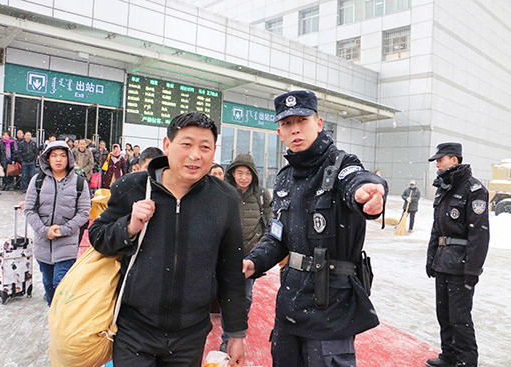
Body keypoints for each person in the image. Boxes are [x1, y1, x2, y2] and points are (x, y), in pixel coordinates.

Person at [88, 112, 247, 367]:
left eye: (204, 147)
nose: (195, 155)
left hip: (190, 335)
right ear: (167, 145)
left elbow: (230, 270)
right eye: (186, 144)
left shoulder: (224, 198)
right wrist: (128, 226)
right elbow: (98, 236)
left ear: (214, 151)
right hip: (134, 330)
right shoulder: (133, 187)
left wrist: (237, 333)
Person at [242, 90, 387, 367]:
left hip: (331, 304)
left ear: (318, 124)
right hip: (290, 304)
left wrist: (366, 192)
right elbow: (277, 237)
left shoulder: (342, 164)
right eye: (287, 124)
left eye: (302, 120)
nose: (295, 129)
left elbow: (356, 180)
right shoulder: (284, 179)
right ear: (279, 131)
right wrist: (253, 261)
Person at [425, 142, 489, 367]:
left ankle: (466, 361)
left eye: (440, 160)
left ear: (454, 160)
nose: (437, 164)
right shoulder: (444, 188)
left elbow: (479, 235)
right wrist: (431, 258)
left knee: (460, 318)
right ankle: (449, 356)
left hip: (461, 265)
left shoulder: (474, 189)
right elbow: (436, 228)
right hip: (443, 261)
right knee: (444, 314)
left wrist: (473, 269)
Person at [24, 141, 91, 306]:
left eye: (62, 155)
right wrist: (44, 230)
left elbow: (84, 212)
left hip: (67, 243)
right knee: (48, 282)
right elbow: (29, 210)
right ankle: (53, 312)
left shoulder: (79, 183)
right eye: (54, 155)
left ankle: (60, 316)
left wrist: (64, 230)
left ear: (69, 158)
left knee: (61, 283)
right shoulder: (37, 181)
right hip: (43, 243)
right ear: (47, 158)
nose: (58, 159)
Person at [218, 154, 272, 352]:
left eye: (248, 173)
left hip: (251, 256)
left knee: (246, 297)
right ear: (232, 173)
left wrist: (260, 250)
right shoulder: (223, 193)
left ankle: (237, 331)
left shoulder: (261, 195)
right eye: (240, 173)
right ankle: (227, 337)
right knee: (228, 296)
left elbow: (269, 223)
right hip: (227, 256)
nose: (243, 177)